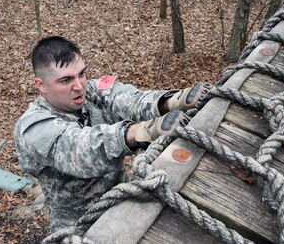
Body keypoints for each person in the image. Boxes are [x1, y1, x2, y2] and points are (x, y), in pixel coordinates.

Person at [14, 36, 211, 233]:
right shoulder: (33, 127)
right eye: (66, 80)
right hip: (79, 229)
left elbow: (127, 99)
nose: (79, 85)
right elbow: (78, 150)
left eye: (81, 74)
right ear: (40, 85)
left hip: (124, 207)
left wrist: (170, 102)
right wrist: (139, 132)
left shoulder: (89, 91)